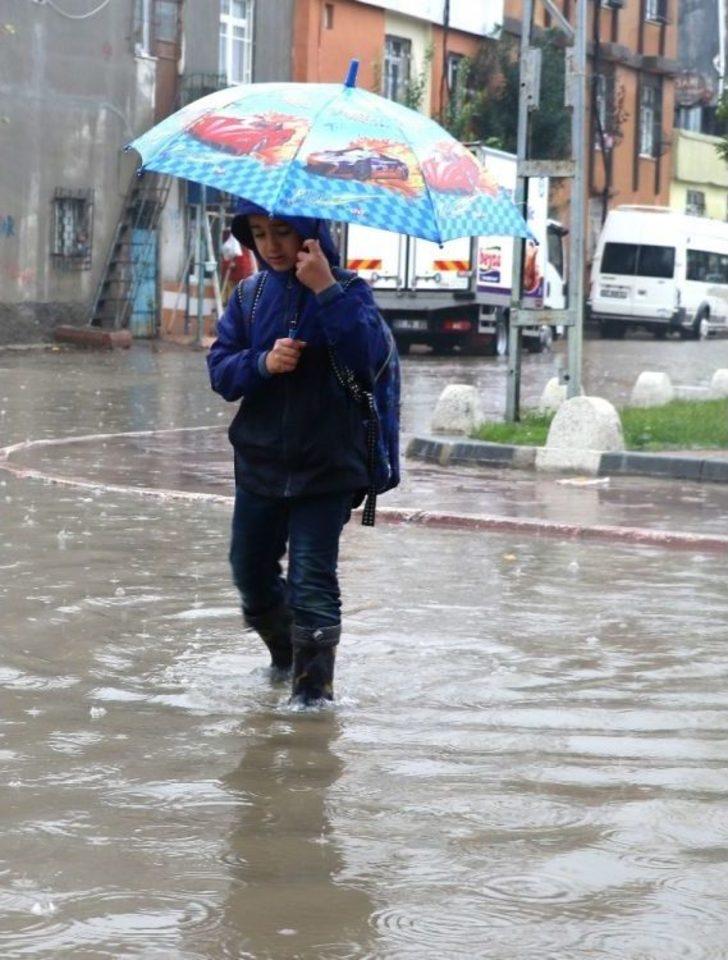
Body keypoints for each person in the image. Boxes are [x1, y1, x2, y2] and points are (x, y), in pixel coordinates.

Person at [207, 201, 389, 706]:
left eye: (284, 232)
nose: (272, 245)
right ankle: (286, 659)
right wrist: (262, 362)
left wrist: (324, 290)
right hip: (260, 465)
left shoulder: (349, 293)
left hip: (327, 467)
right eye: (260, 234)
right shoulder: (248, 295)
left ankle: (312, 697)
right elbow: (220, 370)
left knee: (312, 577)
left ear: (310, 233)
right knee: (249, 572)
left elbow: (366, 358)